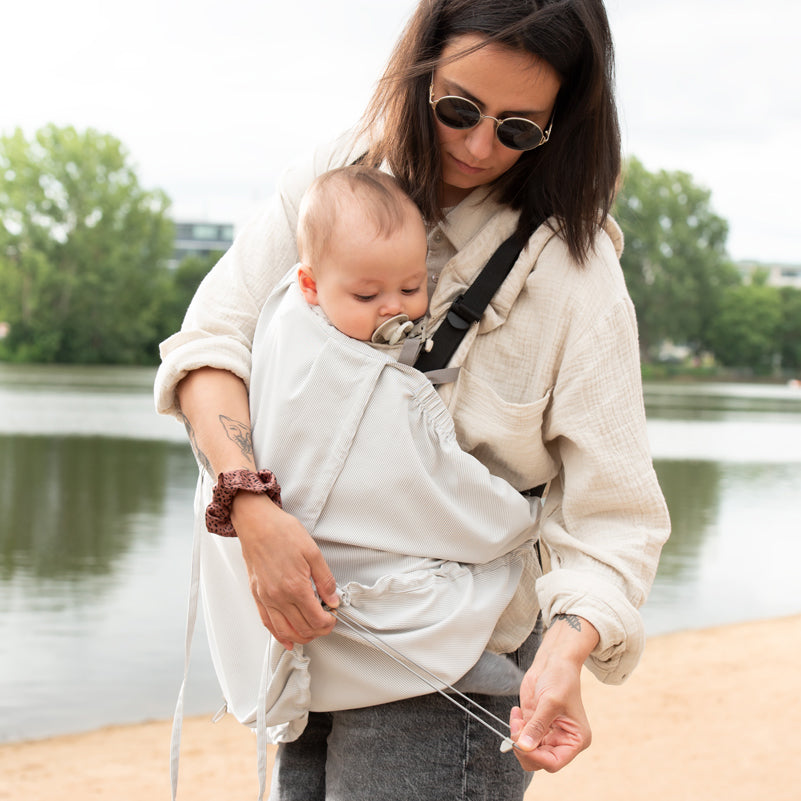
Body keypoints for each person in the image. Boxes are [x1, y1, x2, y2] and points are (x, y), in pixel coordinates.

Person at [155, 1, 671, 798]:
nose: (475, 146)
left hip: (452, 671)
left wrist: (566, 651)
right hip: (304, 642)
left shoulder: (578, 278)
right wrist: (249, 507)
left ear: (561, 123)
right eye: (457, 109)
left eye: (516, 128)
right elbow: (209, 347)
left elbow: (613, 518)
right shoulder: (334, 177)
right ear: (419, 72)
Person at [199, 164, 546, 748]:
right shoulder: (295, 339)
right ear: (309, 287)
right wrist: (520, 522)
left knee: (391, 573)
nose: (395, 310)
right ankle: (443, 651)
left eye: (412, 288)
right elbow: (428, 476)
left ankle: (447, 659)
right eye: (367, 295)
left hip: (363, 576)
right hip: (300, 544)